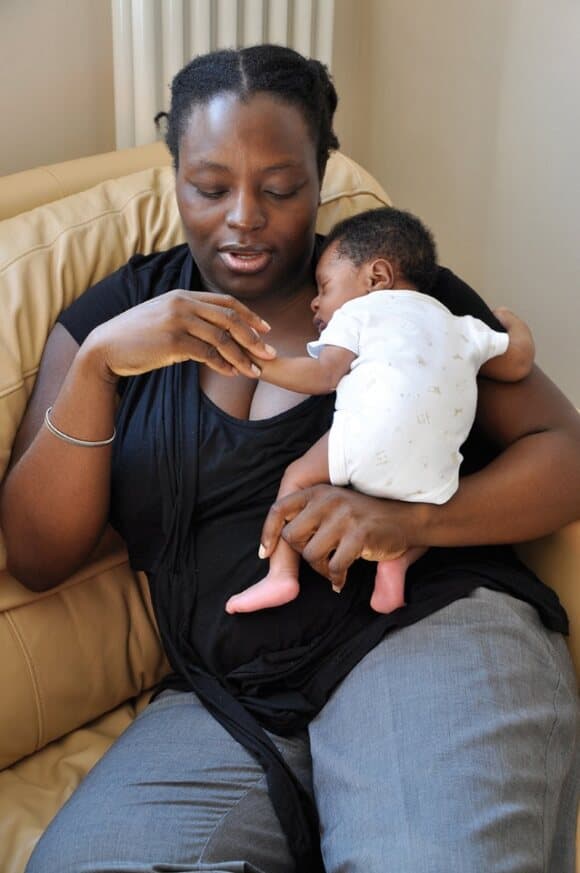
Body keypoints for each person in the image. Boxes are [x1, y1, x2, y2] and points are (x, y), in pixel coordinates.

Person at [1, 44, 578, 873]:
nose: (243, 217)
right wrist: (97, 365)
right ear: (175, 176)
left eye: (280, 189)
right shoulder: (113, 318)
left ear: (321, 172)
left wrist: (411, 518)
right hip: (229, 698)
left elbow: (564, 452)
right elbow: (38, 554)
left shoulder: (388, 293)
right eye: (210, 187)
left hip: (424, 630)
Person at [225, 206, 535, 616]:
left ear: (377, 278)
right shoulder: (461, 325)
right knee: (426, 512)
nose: (316, 303)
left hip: (364, 447)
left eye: (324, 286)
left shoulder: (360, 312)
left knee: (296, 476)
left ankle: (281, 573)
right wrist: (515, 325)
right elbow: (516, 364)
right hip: (436, 473)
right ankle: (396, 570)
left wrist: (260, 362)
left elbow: (323, 375)